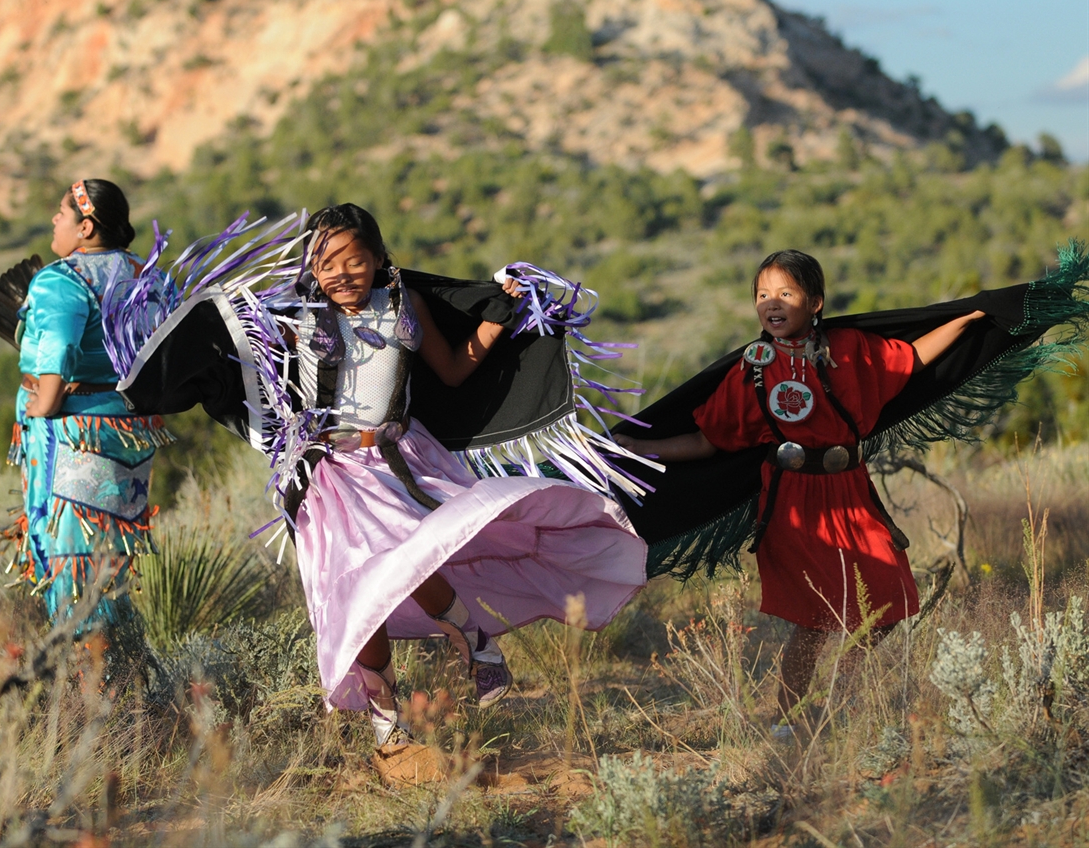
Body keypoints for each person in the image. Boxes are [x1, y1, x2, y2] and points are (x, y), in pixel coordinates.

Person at [280, 204, 646, 747]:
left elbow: (453, 369)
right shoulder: (291, 319)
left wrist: (498, 317)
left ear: (379, 259)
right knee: (358, 593)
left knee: (407, 560)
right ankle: (388, 720)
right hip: (326, 477)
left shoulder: (403, 305)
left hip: (395, 463)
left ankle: (474, 640)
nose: (340, 275)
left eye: (353, 261)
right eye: (325, 264)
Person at [615, 249, 984, 732]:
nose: (772, 303)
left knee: (888, 602)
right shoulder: (751, 370)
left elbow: (912, 358)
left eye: (785, 293)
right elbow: (707, 441)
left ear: (815, 302)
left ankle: (839, 699)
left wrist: (974, 314)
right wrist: (639, 447)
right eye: (763, 294)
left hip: (851, 492)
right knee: (815, 620)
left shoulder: (851, 349)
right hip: (792, 501)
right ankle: (787, 721)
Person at [3, 179, 172, 632]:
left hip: (71, 430)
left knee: (69, 551)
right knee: (109, 550)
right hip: (128, 431)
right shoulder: (150, 276)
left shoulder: (62, 280)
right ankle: (116, 665)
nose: (55, 220)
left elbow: (59, 351)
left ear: (87, 227)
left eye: (62, 212)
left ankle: (87, 676)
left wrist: (43, 405)